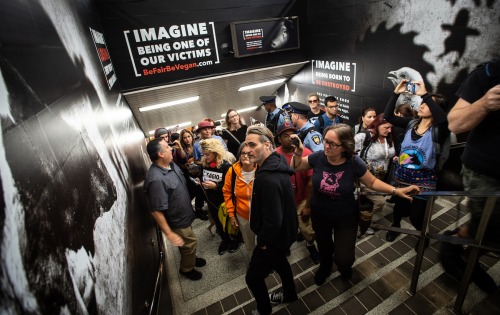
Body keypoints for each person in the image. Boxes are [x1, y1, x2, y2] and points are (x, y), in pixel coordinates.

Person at [290, 124, 419, 285]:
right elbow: (296, 167)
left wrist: (395, 190)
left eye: (332, 143)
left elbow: (372, 182)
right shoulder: (318, 157)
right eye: (325, 141)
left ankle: (345, 268)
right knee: (324, 246)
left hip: (345, 217)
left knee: (344, 257)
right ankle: (325, 266)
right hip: (320, 214)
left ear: (344, 146)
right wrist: (297, 153)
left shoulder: (353, 162)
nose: (326, 146)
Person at [440, 60, 500, 294]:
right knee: (491, 229)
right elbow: (454, 122)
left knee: (489, 230)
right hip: (487, 173)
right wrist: (484, 103)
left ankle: (461, 249)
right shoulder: (491, 72)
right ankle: (458, 248)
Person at [383, 80, 449, 244]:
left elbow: (443, 121)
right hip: (402, 175)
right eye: (423, 102)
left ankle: (423, 235)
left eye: (427, 104)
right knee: (398, 207)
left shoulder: (439, 130)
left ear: (436, 110)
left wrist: (425, 95)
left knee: (416, 216)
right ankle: (395, 226)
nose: (421, 105)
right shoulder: (411, 123)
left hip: (424, 179)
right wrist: (395, 94)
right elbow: (387, 116)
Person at [244, 126, 298, 315]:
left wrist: (264, 242)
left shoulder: (267, 178)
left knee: (252, 278)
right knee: (281, 262)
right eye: (246, 144)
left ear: (267, 145)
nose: (247, 149)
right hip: (286, 233)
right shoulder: (278, 160)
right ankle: (290, 294)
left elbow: (273, 219)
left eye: (252, 144)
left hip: (274, 238)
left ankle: (264, 310)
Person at [144, 138, 206, 281]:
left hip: (185, 213)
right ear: (160, 154)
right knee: (190, 242)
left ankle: (190, 258)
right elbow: (156, 210)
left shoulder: (171, 164)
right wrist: (169, 233)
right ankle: (187, 268)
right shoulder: (156, 179)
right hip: (177, 220)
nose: (171, 149)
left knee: (186, 244)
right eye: (167, 147)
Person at [275, 122, 320, 264]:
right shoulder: (274, 156)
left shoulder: (306, 153)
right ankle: (286, 244)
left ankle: (310, 245)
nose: (289, 138)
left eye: (292, 135)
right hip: (284, 201)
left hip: (302, 199)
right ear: (279, 139)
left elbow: (312, 182)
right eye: (285, 135)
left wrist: (308, 205)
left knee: (308, 230)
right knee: (285, 228)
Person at [354, 114, 396, 236]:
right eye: (387, 127)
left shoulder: (388, 137)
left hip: (381, 179)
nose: (390, 131)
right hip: (364, 178)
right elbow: (351, 155)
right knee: (380, 202)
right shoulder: (363, 136)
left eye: (391, 128)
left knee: (368, 202)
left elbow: (389, 153)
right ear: (378, 124)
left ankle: (363, 221)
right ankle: (360, 222)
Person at [198, 138, 240, 255]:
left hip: (225, 200)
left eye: (208, 154)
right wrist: (200, 180)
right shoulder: (205, 165)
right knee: (218, 221)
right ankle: (225, 240)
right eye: (204, 154)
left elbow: (233, 187)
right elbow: (204, 177)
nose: (205, 157)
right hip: (211, 201)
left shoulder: (226, 166)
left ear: (215, 152)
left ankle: (236, 240)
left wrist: (216, 185)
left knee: (230, 221)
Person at [223, 142, 257, 258]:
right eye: (243, 153)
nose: (246, 156)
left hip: (262, 215)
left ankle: (267, 262)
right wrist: (232, 215)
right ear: (239, 155)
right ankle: (254, 262)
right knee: (249, 243)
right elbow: (227, 193)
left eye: (250, 153)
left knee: (265, 241)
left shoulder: (261, 169)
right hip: (243, 216)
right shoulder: (232, 171)